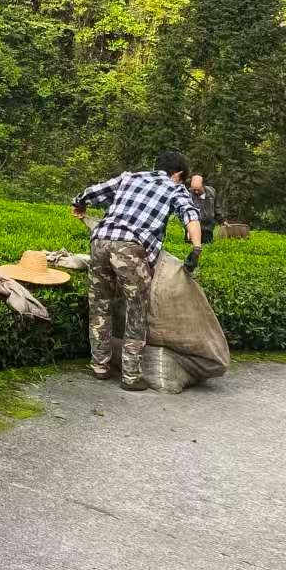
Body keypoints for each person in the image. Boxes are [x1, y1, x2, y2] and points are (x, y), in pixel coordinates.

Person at [71, 150, 203, 392]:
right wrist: (196, 247)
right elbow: (190, 215)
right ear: (178, 174)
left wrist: (79, 204)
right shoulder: (174, 188)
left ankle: (100, 366)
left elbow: (91, 192)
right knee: (136, 310)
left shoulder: (129, 177)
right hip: (130, 249)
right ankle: (131, 376)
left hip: (100, 241)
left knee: (100, 305)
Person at [189, 173, 217, 243]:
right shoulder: (188, 194)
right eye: (194, 189)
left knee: (207, 245)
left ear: (203, 185)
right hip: (194, 227)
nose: (196, 192)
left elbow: (216, 207)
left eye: (198, 189)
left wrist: (222, 220)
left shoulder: (212, 192)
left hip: (208, 228)